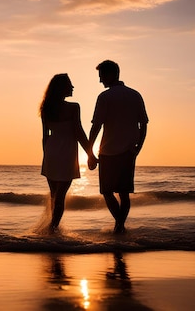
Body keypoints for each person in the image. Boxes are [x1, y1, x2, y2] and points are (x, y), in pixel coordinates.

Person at [88, 60, 148, 234]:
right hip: (128, 151)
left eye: (101, 76)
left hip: (107, 151)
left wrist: (90, 150)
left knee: (107, 192)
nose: (100, 81)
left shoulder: (105, 97)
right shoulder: (135, 95)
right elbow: (143, 125)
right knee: (124, 193)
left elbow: (96, 126)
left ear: (110, 75)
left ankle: (119, 226)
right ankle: (120, 226)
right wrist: (138, 148)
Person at [40, 73, 94, 233]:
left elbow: (44, 137)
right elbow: (79, 132)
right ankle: (53, 229)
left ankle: (51, 228)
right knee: (61, 195)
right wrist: (90, 154)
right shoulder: (73, 107)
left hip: (51, 152)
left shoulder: (46, 108)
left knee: (54, 194)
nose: (72, 87)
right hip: (66, 153)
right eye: (69, 84)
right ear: (61, 88)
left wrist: (46, 156)